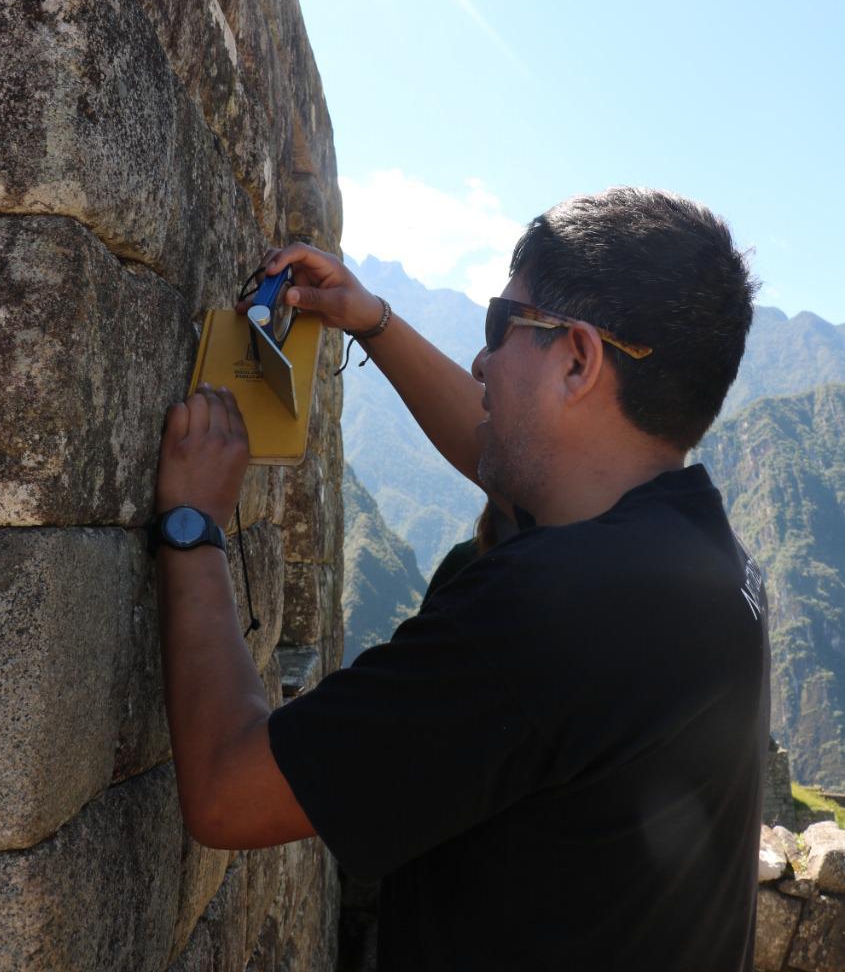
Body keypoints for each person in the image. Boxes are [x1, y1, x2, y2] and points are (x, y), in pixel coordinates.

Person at [153, 187, 769, 971]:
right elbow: (503, 460)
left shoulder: (554, 614)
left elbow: (227, 789)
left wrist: (193, 525)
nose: (480, 360)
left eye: (498, 326)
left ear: (577, 358)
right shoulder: (690, 545)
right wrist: (370, 320)